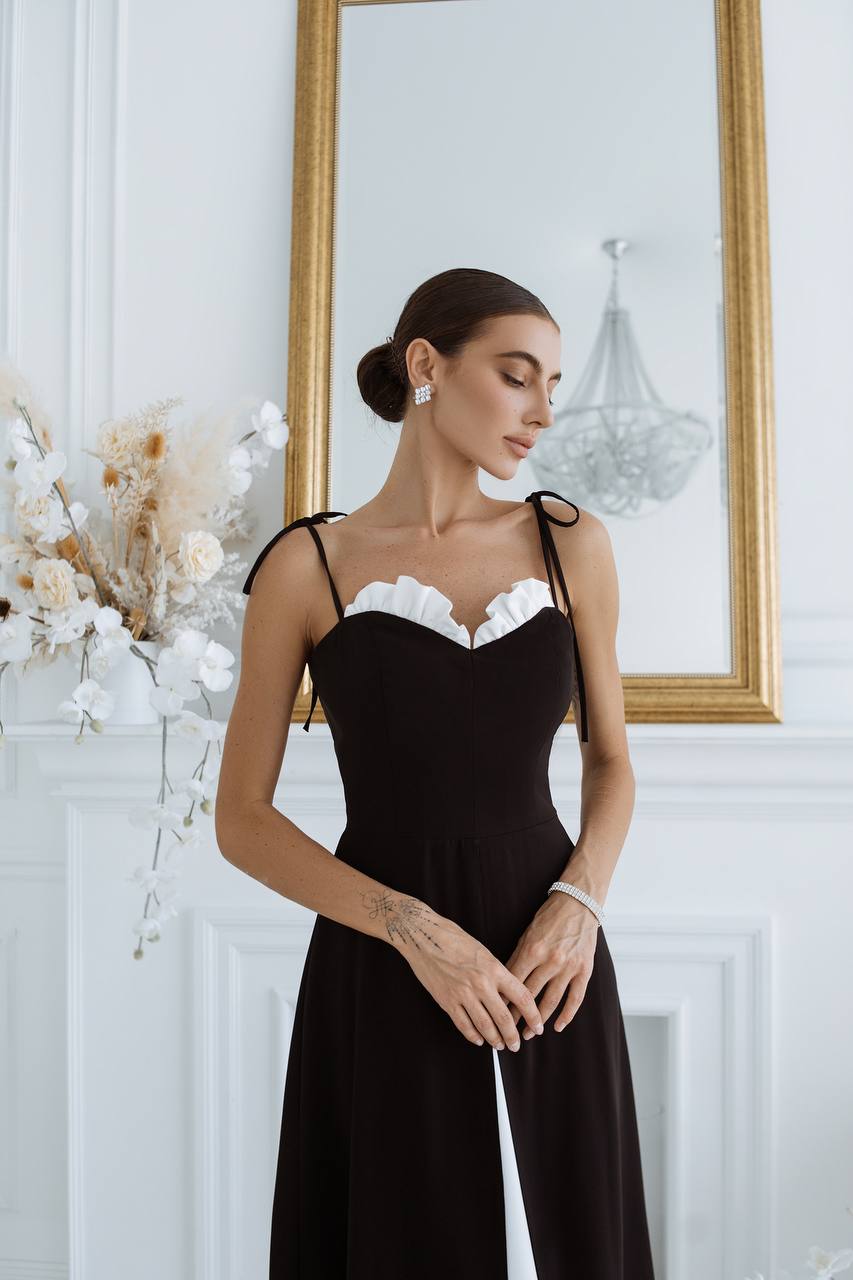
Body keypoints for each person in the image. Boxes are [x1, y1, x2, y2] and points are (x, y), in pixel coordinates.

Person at [215, 267, 656, 1278]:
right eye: (516, 375)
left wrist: (580, 896)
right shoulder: (307, 566)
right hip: (380, 962)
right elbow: (241, 817)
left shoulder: (566, 541)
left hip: (552, 955)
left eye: (553, 383)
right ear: (427, 365)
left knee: (583, 1238)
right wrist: (415, 930)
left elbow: (610, 757)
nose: (542, 410)